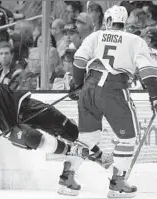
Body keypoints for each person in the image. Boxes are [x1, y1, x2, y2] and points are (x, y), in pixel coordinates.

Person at [0, 39, 114, 185]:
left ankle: (97, 154)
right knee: (33, 138)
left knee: (60, 121)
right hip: (9, 126)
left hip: (22, 105)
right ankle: (71, 151)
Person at [65, 5, 157, 198]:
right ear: (124, 22)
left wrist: (77, 84)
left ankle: (66, 179)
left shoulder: (96, 36)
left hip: (89, 88)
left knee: (87, 138)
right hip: (113, 89)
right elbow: (148, 73)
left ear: (107, 21)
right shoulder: (135, 41)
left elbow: (79, 61)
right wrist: (155, 97)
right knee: (127, 137)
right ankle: (117, 184)